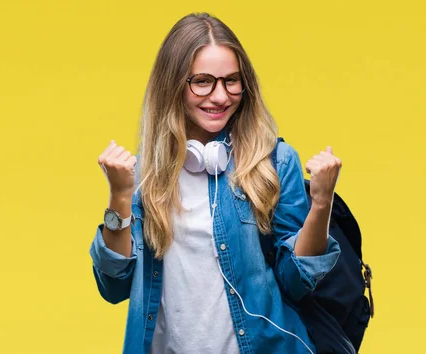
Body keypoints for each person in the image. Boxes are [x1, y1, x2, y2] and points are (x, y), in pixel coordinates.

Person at [90, 12, 342, 354]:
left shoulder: (274, 162)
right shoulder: (144, 176)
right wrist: (119, 195)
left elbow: (297, 282)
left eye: (232, 81)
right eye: (203, 81)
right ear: (173, 85)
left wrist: (322, 203)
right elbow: (113, 285)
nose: (221, 96)